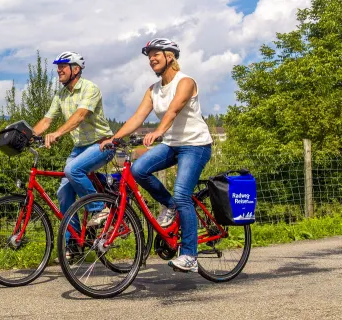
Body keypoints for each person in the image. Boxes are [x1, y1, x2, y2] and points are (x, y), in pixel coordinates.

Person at [100, 38, 213, 273]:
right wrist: (115, 138)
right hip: (173, 144)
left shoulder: (186, 82)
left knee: (183, 193)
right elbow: (137, 118)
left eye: (156, 54)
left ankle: (190, 255)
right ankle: (169, 206)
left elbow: (174, 109)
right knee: (139, 170)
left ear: (170, 56)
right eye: (149, 55)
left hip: (195, 145)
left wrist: (158, 131)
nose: (151, 58)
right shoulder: (153, 89)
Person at [33, 51, 114, 245]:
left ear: (75, 69)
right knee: (63, 192)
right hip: (80, 148)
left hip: (101, 144)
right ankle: (75, 242)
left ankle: (99, 208)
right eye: (58, 66)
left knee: (72, 170)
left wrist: (57, 133)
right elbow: (46, 120)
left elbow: (80, 115)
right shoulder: (60, 95)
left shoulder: (90, 88)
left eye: (63, 66)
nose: (58, 70)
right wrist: (27, 136)